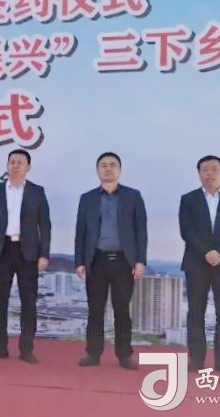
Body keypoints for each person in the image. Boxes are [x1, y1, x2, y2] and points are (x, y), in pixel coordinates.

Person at [74, 152, 147, 370]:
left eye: (112, 165)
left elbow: (141, 231)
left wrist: (140, 261)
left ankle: (124, 355)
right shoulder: (87, 198)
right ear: (97, 170)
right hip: (96, 260)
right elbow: (81, 232)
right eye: (103, 165)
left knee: (122, 310)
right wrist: (79, 261)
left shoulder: (133, 196)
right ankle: (93, 353)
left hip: (124, 261)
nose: (108, 168)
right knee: (95, 310)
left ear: (119, 170)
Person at [0, 149, 51, 364]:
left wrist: (44, 254)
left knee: (28, 302)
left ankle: (26, 349)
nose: (15, 165)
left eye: (20, 162)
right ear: (7, 166)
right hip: (2, 251)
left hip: (28, 252)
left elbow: (45, 225)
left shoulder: (37, 192)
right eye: (12, 162)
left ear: (28, 167)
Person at [180, 155, 220, 374]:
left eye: (214, 169)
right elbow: (186, 230)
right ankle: (196, 361)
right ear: (199, 173)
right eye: (205, 169)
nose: (209, 173)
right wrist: (206, 252)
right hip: (196, 263)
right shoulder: (188, 199)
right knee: (195, 314)